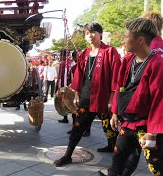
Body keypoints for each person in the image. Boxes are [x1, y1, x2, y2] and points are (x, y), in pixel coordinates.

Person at [102, 12, 163, 176]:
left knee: (156, 166)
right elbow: (119, 86)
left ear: (140, 40)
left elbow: (159, 100)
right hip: (127, 123)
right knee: (118, 159)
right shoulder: (127, 60)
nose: (123, 40)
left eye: (126, 36)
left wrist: (153, 132)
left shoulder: (157, 63)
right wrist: (115, 112)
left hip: (146, 125)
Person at [53, 22, 121, 167]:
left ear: (100, 33)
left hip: (104, 97)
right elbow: (79, 76)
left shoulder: (110, 51)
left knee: (110, 127)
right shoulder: (84, 53)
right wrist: (76, 94)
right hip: (86, 97)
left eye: (93, 32)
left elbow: (116, 77)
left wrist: (112, 99)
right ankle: (68, 155)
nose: (90, 36)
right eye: (87, 33)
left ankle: (116, 158)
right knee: (78, 126)